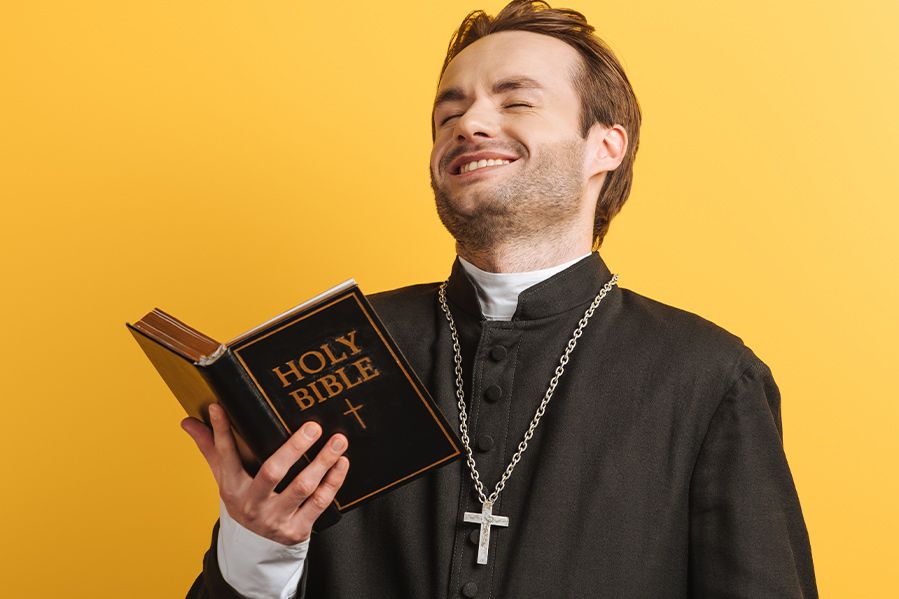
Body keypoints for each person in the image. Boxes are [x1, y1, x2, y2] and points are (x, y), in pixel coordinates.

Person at [181, 1, 818, 597]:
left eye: (515, 102)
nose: (471, 125)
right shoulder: (339, 345)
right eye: (448, 115)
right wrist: (256, 543)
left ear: (606, 146)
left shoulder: (708, 376)